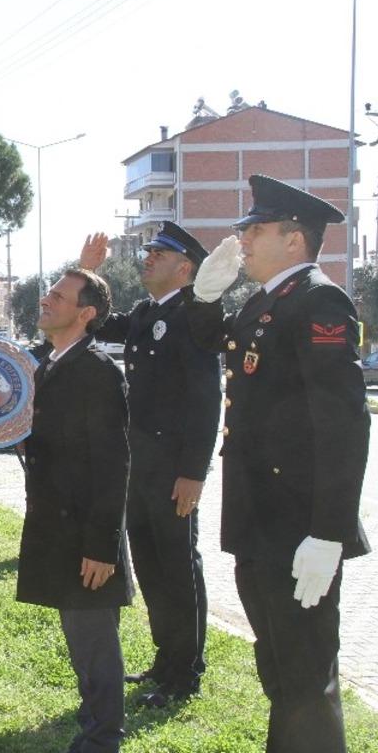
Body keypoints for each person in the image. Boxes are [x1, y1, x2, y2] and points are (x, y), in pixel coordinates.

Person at [185, 174, 371, 753]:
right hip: (261, 520)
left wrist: (329, 532)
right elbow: (213, 346)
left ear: (294, 239)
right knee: (281, 670)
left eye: (256, 229)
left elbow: (344, 425)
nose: (242, 238)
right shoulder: (267, 300)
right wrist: (204, 298)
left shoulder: (319, 301)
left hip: (296, 525)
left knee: (305, 676)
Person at [78, 222, 220, 707]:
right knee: (152, 567)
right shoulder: (145, 312)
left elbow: (206, 399)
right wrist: (87, 273)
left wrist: (193, 473)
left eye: (159, 253)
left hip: (174, 471)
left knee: (178, 567)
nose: (147, 257)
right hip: (139, 466)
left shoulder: (194, 315)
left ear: (185, 267)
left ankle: (185, 673)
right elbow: (95, 321)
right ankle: (166, 659)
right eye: (149, 251)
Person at [17, 269, 132, 753]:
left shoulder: (98, 371)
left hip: (86, 534)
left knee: (94, 641)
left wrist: (102, 547)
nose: (46, 300)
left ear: (85, 314)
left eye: (59, 296)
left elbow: (113, 464)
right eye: (49, 292)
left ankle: (103, 739)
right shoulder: (51, 364)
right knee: (82, 642)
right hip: (59, 527)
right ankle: (93, 725)